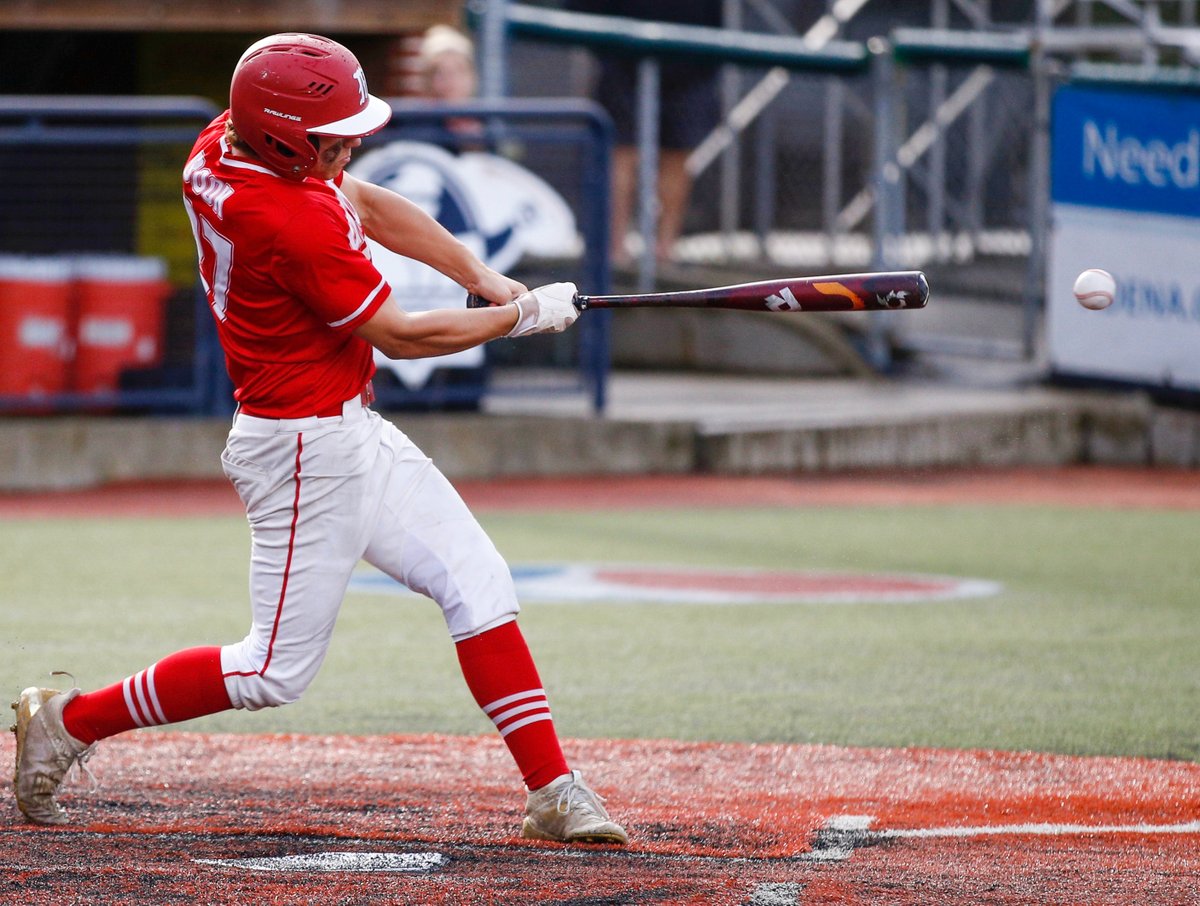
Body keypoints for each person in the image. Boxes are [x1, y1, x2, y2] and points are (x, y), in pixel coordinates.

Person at [11, 32, 627, 847]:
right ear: (281, 136)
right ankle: (65, 722)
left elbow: (366, 202)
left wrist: (481, 278)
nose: (347, 147)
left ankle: (553, 790)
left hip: (347, 429)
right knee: (272, 671)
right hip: (302, 449)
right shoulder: (285, 217)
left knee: (479, 579)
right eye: (331, 136)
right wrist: (521, 317)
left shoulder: (226, 143)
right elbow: (402, 337)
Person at [568, 0, 723, 265]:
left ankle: (663, 251)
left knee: (676, 157)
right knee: (621, 154)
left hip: (690, 64)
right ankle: (615, 250)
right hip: (621, 60)